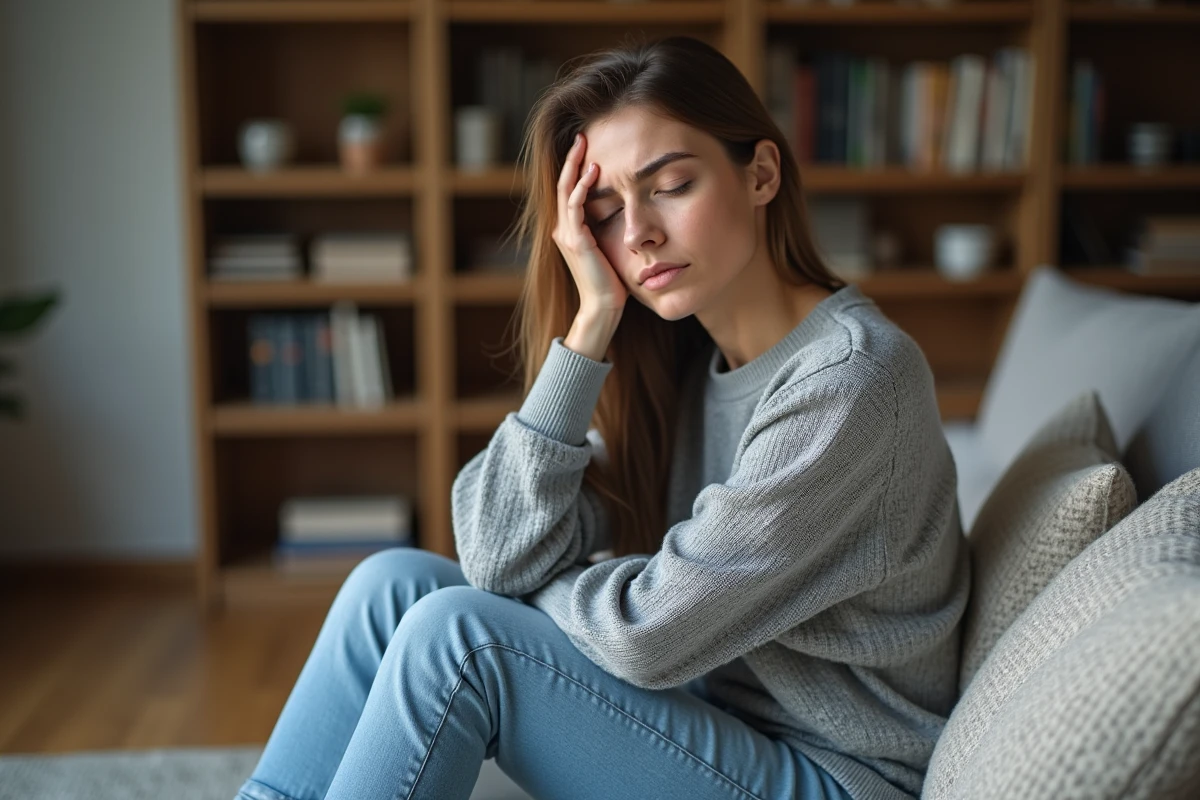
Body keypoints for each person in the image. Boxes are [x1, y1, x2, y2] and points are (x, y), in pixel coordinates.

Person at [234, 34, 969, 800]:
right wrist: (587, 330)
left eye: (672, 185)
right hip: (722, 727)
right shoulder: (683, 364)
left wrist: (547, 583)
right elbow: (493, 555)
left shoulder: (849, 380)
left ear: (760, 173)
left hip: (835, 777)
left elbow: (647, 637)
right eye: (606, 211)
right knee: (392, 585)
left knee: (459, 637)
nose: (638, 233)